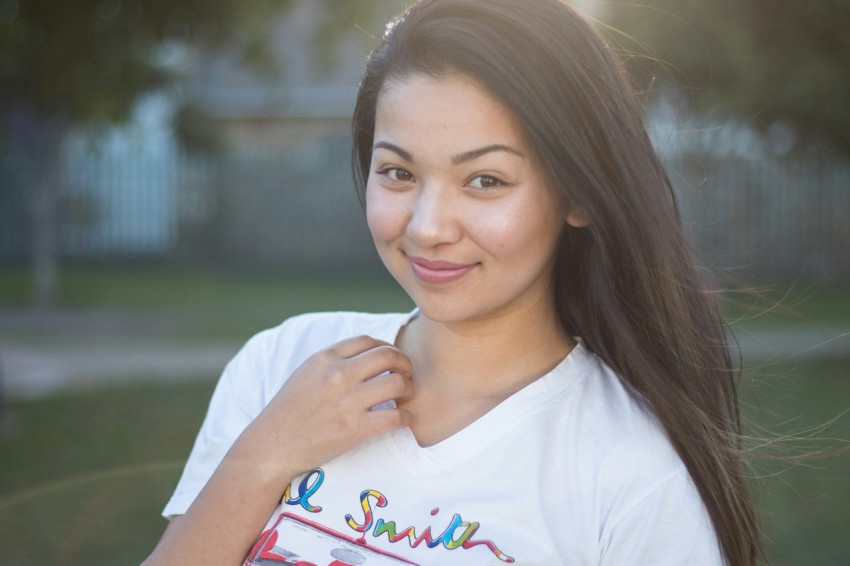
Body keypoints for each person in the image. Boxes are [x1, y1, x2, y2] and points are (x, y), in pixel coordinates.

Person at [145, 1, 762, 564]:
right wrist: (264, 457)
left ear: (578, 192)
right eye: (398, 172)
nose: (427, 226)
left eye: (485, 180)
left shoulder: (633, 473)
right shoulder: (282, 365)